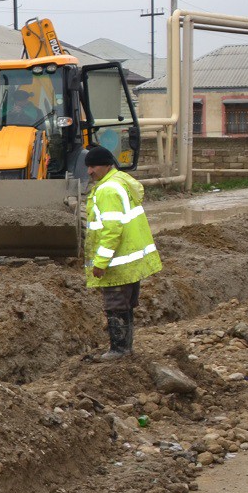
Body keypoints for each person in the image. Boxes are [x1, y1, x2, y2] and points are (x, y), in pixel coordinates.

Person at [84, 145, 161, 361]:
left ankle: (119, 350)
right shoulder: (120, 183)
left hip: (117, 262)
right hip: (130, 259)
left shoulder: (107, 190)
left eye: (94, 166)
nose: (90, 171)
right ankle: (125, 349)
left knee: (115, 305)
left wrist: (100, 261)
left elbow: (112, 229)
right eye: (88, 166)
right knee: (125, 305)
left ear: (108, 165)